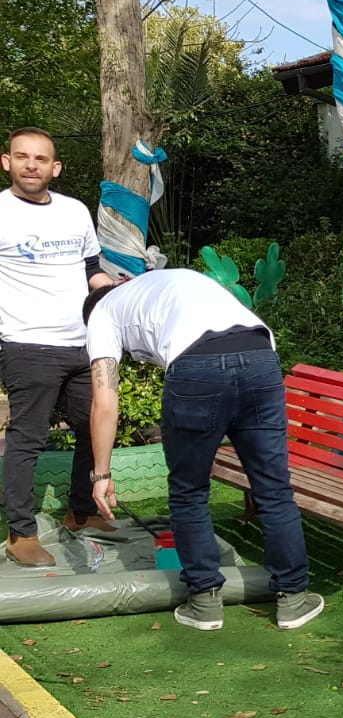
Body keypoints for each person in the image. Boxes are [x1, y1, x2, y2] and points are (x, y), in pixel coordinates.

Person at [83, 268, 323, 632]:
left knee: (189, 492)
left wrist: (101, 473)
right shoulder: (156, 283)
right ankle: (293, 598)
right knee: (274, 489)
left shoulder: (100, 314)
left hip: (196, 369)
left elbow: (104, 401)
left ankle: (205, 602)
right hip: (259, 356)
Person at [0, 127, 117, 567]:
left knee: (94, 430)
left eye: (41, 158)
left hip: (84, 344)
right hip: (27, 344)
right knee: (28, 440)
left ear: (55, 167)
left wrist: (113, 291)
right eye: (22, 156)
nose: (32, 164)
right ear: (7, 161)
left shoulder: (74, 211)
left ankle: (80, 513)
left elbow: (90, 268)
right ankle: (21, 535)